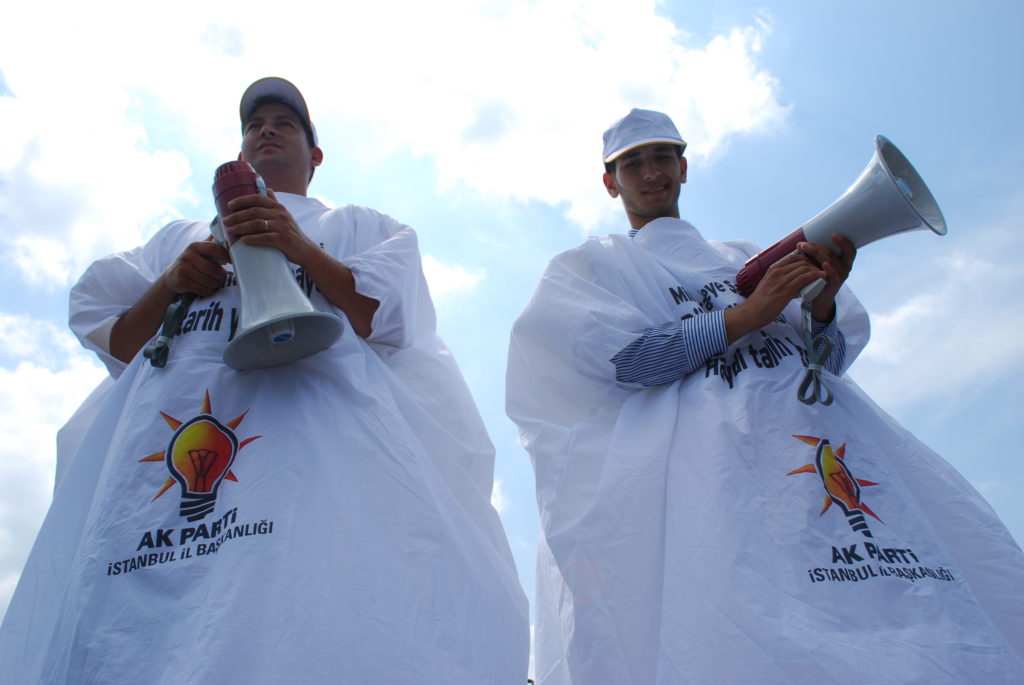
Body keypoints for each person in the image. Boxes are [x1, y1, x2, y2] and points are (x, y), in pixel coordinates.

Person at [1, 77, 529, 684]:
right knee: (139, 628)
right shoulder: (179, 239)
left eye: (286, 123)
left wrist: (298, 246)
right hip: (158, 489)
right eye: (255, 125)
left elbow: (385, 317)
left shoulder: (357, 225)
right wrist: (173, 281)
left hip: (313, 470)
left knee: (295, 615)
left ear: (315, 155)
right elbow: (115, 336)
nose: (267, 131)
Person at [506, 108, 1024, 684]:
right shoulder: (594, 266)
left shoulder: (746, 254)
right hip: (718, 469)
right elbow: (623, 363)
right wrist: (747, 315)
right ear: (611, 182)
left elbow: (824, 365)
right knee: (757, 612)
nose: (650, 172)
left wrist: (823, 302)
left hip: (828, 443)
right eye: (632, 164)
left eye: (661, 157)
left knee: (909, 603)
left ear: (683, 167)